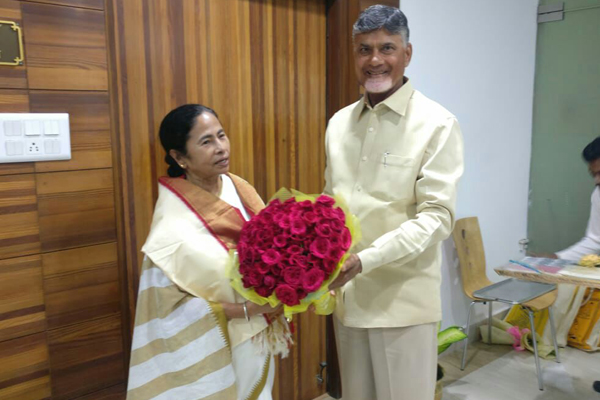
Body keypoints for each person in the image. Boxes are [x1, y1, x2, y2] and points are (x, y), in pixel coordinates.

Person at [324, 6, 464, 400]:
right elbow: (329, 207)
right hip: (347, 302)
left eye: (387, 47)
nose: (374, 60)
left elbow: (437, 218)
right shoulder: (338, 124)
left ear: (407, 53)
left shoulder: (437, 124)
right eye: (363, 49)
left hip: (403, 304)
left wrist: (364, 260)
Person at [126, 104, 288, 400]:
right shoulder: (171, 225)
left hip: (259, 334)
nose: (221, 148)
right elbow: (166, 308)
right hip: (220, 341)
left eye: (221, 136)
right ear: (179, 157)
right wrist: (247, 310)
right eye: (206, 141)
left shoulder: (237, 186)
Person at [554, 136, 600, 261]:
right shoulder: (598, 195)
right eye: (594, 174)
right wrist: (557, 258)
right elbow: (595, 240)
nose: (597, 181)